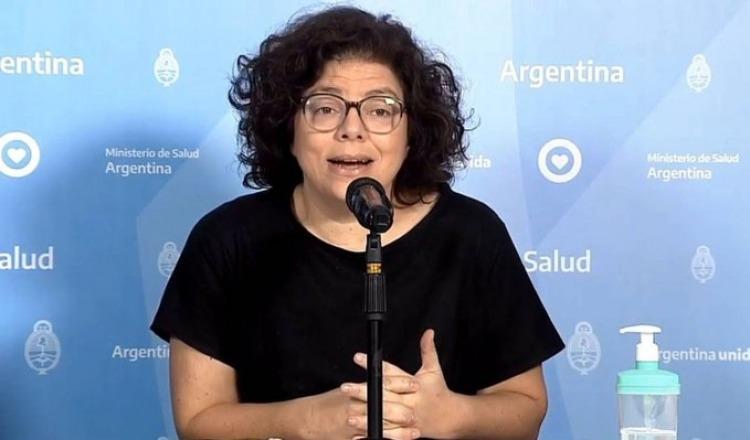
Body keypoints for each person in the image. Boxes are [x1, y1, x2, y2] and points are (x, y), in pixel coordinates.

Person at [151, 6, 564, 440]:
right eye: (325, 108)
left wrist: (449, 415)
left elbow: (526, 409)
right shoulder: (227, 240)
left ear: (412, 131)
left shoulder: (471, 234)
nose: (352, 129)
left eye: (380, 110)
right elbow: (198, 422)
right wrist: (304, 421)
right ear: (288, 127)